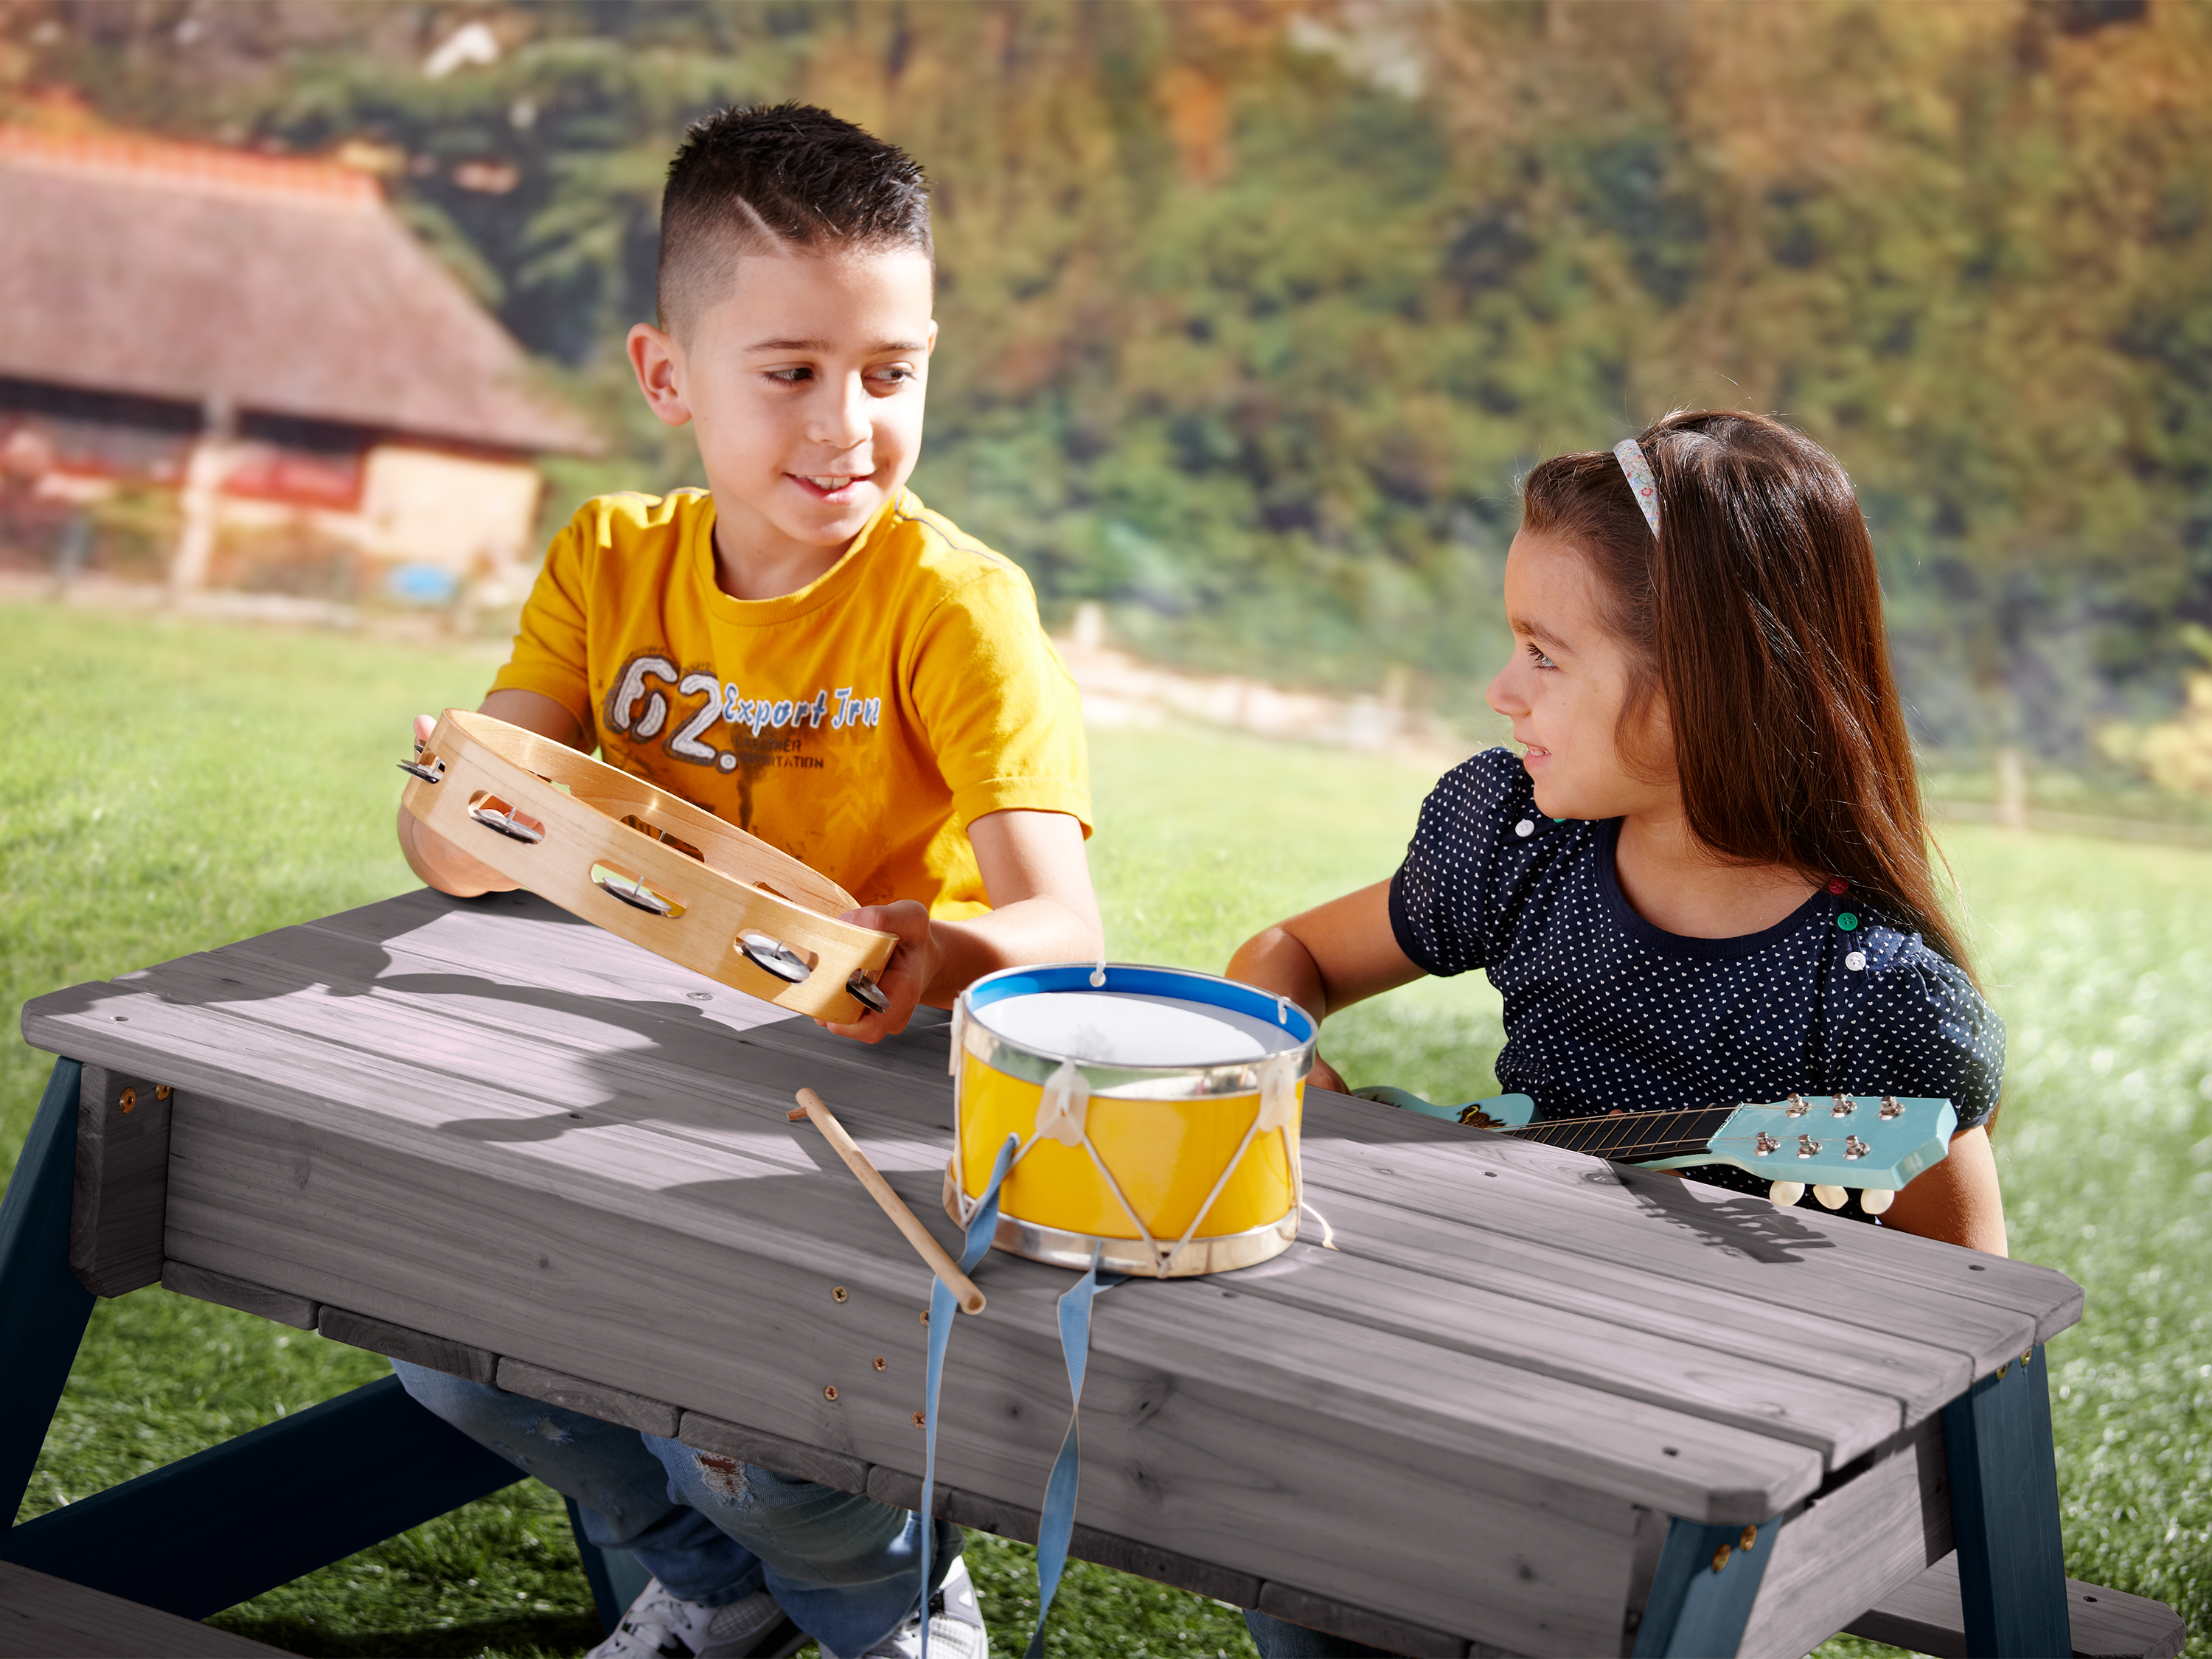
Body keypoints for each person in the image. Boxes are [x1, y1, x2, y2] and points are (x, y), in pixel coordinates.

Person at [394, 103, 1101, 1659]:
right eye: (791, 372)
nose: (847, 423)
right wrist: (452, 801)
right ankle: (713, 1596)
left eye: (889, 372)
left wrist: (952, 943)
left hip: (858, 1117)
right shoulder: (607, 560)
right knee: (441, 1353)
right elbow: (466, 834)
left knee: (754, 1446)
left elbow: (1067, 925)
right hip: (601, 1077)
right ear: (668, 376)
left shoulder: (958, 608)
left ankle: (895, 1610)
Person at [1225, 410, 2008, 1658]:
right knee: (1298, 1551)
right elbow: (1291, 957)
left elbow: (1972, 1327)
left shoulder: (1870, 997)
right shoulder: (1526, 844)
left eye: (1544, 651)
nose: (1500, 689)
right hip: (1482, 1352)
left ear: (1711, 681)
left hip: (1687, 1455)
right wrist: (1295, 1072)